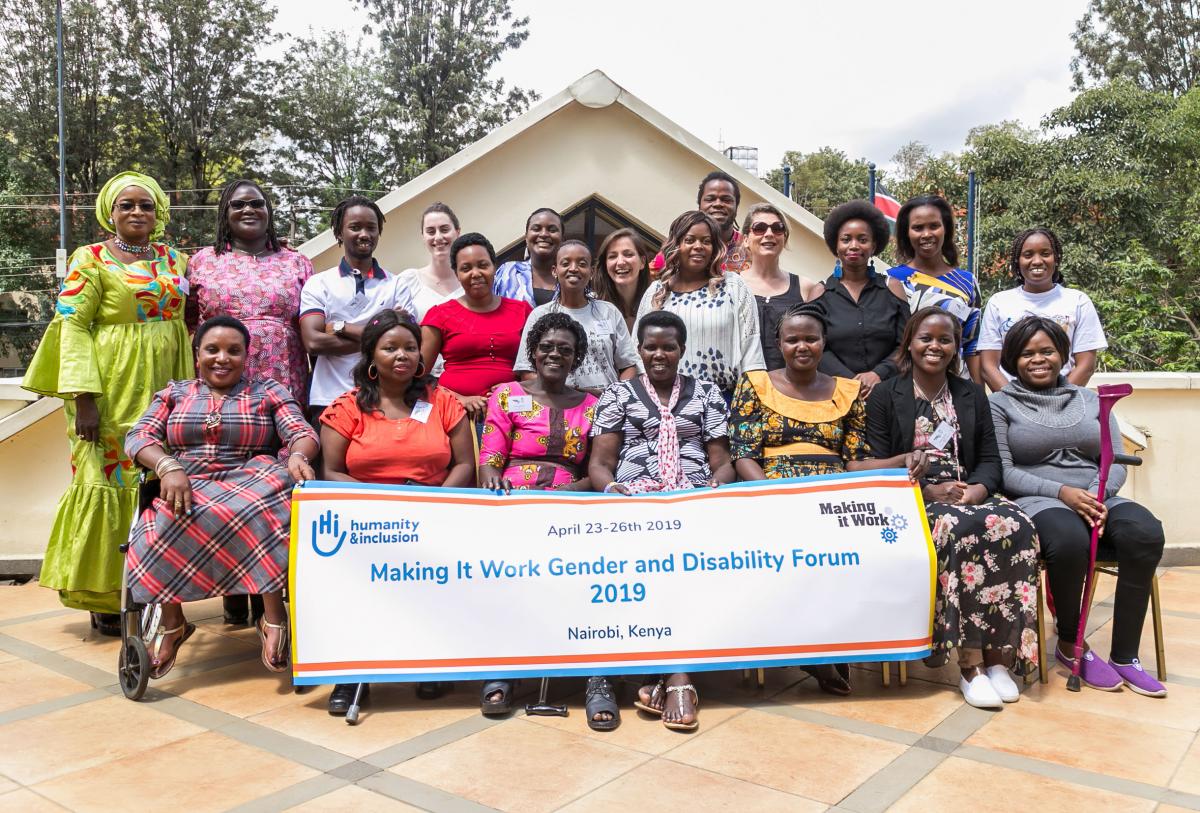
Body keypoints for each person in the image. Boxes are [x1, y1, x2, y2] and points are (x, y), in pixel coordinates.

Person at [22, 171, 193, 632]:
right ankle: (106, 593)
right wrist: (84, 397)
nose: (137, 212)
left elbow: (187, 322)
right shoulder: (90, 258)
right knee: (109, 479)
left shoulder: (176, 260)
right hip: (110, 387)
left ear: (158, 213)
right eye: (126, 205)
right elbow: (72, 326)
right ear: (110, 213)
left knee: (158, 482)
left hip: (167, 384)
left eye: (146, 205)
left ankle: (156, 586)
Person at [729, 301, 928, 696]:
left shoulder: (848, 392)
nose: (802, 346)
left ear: (824, 342)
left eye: (811, 338)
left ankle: (830, 643)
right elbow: (743, 456)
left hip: (831, 496)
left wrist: (900, 459)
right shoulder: (755, 384)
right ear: (779, 344)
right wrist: (774, 493)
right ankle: (813, 652)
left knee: (849, 553)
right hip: (770, 493)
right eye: (792, 340)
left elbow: (854, 463)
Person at [866, 307, 1040, 710]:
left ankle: (1001, 657)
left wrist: (976, 492)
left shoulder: (971, 393)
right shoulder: (885, 395)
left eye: (945, 340)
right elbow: (879, 460)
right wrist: (930, 491)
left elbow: (992, 461)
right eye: (926, 338)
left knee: (1017, 524)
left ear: (956, 347)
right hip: (914, 496)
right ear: (909, 342)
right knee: (957, 532)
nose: (935, 346)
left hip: (969, 492)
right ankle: (972, 665)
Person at [125, 316, 319, 678]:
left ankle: (273, 616)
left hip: (252, 475)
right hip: (186, 477)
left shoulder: (268, 390)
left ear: (247, 356)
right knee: (162, 519)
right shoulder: (175, 393)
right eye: (212, 349)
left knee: (263, 507)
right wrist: (167, 466)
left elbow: (301, 431)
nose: (222, 358)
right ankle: (172, 623)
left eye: (234, 351)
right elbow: (139, 436)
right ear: (197, 353)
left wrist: (297, 454)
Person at [991, 317, 1165, 696]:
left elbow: (1115, 457)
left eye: (1047, 351)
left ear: (1063, 355)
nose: (1038, 359)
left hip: (1097, 493)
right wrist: (1064, 493)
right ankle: (1071, 644)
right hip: (1039, 499)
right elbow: (1004, 472)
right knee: (1068, 539)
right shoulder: (1000, 404)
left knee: (1145, 532)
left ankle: (1125, 655)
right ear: (1011, 359)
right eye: (1027, 353)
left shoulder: (1092, 399)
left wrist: (1096, 494)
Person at [319, 309, 475, 715]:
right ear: (371, 357)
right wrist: (379, 506)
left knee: (431, 583)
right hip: (366, 519)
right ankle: (352, 674)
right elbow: (330, 471)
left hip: (434, 512)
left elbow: (464, 464)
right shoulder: (347, 407)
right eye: (391, 348)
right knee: (357, 588)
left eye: (410, 347)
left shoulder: (442, 402)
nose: (402, 355)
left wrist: (435, 501)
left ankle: (427, 663)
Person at [589, 310, 735, 731]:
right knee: (654, 563)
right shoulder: (618, 395)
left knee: (686, 563)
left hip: (692, 503)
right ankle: (677, 678)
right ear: (639, 349)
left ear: (681, 350)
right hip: (635, 507)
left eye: (668, 347)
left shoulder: (706, 393)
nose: (658, 354)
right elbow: (601, 463)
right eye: (650, 346)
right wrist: (615, 493)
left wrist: (708, 491)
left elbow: (722, 463)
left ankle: (668, 676)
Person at [186, 179, 315, 626]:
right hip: (222, 385)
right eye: (238, 204)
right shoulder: (203, 261)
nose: (248, 210)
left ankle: (271, 590)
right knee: (225, 476)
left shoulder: (297, 262)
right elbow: (191, 325)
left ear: (269, 211)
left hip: (283, 380)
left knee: (274, 480)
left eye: (256, 204)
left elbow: (310, 324)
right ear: (224, 212)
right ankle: (232, 591)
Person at [478, 312, 608, 723]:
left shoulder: (593, 406)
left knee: (590, 581)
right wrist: (504, 489)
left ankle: (595, 676)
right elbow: (490, 462)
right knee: (511, 578)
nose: (555, 354)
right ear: (532, 352)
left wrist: (563, 495)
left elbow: (600, 470)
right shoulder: (506, 395)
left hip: (574, 504)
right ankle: (504, 669)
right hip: (514, 503)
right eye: (547, 347)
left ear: (577, 358)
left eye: (565, 350)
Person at [299, 195, 414, 421]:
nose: (364, 234)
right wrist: (381, 337)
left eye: (371, 227)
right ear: (339, 233)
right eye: (355, 227)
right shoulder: (319, 283)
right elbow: (313, 342)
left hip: (385, 399)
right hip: (329, 399)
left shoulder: (397, 284)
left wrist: (340, 327)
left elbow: (404, 342)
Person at [635, 211, 765, 400]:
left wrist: (749, 405)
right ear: (676, 245)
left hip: (724, 400)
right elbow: (638, 353)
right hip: (664, 402)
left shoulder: (733, 286)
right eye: (689, 240)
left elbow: (751, 352)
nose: (698, 246)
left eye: (706, 241)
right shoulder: (657, 292)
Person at [421, 233, 533, 423]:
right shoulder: (439, 315)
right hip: (455, 416)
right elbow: (418, 377)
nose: (476, 273)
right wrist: (459, 400)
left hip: (513, 412)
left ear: (494, 267)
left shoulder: (522, 311)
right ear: (456, 274)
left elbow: (538, 373)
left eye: (483, 265)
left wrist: (512, 391)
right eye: (466, 268)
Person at [979, 228, 1106, 392]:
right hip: (1012, 404)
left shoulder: (1078, 301)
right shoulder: (999, 302)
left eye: (1045, 253)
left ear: (1056, 259)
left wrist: (1058, 402)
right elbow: (988, 366)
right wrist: (1014, 404)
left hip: (1063, 402)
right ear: (1017, 261)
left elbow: (1086, 365)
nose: (1037, 261)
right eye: (1028, 255)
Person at [514, 240, 639, 397]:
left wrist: (615, 397)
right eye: (566, 263)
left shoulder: (609, 312)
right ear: (555, 270)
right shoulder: (540, 315)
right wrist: (565, 394)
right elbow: (527, 371)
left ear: (591, 272)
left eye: (582, 263)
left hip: (607, 406)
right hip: (558, 406)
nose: (573, 269)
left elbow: (628, 365)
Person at [818, 200, 910, 399]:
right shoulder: (821, 292)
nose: (854, 246)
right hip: (835, 396)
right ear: (836, 244)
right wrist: (851, 382)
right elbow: (816, 347)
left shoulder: (892, 288)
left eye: (862, 239)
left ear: (874, 245)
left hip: (888, 395)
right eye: (846, 239)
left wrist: (878, 374)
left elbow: (906, 343)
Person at [887, 196, 983, 383]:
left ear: (945, 229)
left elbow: (972, 344)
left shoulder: (967, 282)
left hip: (957, 386)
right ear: (907, 233)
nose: (926, 234)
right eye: (918, 228)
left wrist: (978, 396)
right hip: (905, 386)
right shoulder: (891, 279)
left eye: (934, 226)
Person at [737, 203, 822, 370]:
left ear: (784, 238)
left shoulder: (806, 288)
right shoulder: (731, 286)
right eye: (760, 228)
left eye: (777, 228)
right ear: (746, 239)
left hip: (791, 389)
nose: (769, 234)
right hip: (741, 387)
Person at [394, 202, 464, 380]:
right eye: (431, 231)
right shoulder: (407, 281)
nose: (438, 237)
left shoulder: (471, 282)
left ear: (458, 231)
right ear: (423, 236)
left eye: (444, 229)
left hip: (462, 378)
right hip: (420, 379)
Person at [651, 171, 749, 275]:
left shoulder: (749, 248)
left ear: (736, 206)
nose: (718, 204)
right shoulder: (679, 246)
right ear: (699, 205)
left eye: (726, 200)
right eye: (710, 199)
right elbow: (649, 279)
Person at [492, 208, 563, 306]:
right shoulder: (507, 272)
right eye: (536, 229)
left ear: (562, 238)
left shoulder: (569, 277)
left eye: (552, 230)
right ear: (526, 237)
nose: (544, 234)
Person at [591, 228, 651, 332]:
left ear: (642, 262)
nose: (620, 262)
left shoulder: (657, 304)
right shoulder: (592, 307)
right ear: (605, 265)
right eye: (612, 256)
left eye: (628, 254)